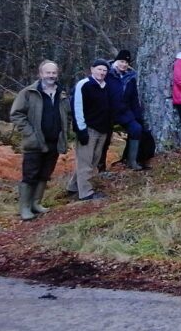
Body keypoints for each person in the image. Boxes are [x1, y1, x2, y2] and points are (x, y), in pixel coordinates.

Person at [10, 60, 71, 220]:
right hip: (34, 142)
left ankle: (36, 203)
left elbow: (67, 115)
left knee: (45, 174)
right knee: (30, 175)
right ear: (40, 74)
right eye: (48, 72)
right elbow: (16, 114)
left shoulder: (61, 93)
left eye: (54, 73)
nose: (51, 75)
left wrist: (65, 134)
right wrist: (30, 134)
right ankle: (25, 208)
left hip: (54, 141)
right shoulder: (28, 92)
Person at [67, 59, 113, 200]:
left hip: (102, 130)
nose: (102, 72)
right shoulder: (84, 85)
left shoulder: (105, 86)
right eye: (99, 69)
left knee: (92, 161)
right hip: (88, 129)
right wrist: (81, 130)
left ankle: (73, 187)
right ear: (92, 69)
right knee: (85, 162)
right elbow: (77, 108)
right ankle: (86, 194)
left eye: (105, 70)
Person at [104, 50, 144, 171]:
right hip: (107, 112)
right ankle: (100, 165)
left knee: (136, 129)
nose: (124, 64)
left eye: (126, 62)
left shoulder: (130, 77)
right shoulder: (106, 74)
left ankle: (132, 161)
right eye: (121, 61)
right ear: (116, 61)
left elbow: (134, 98)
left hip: (124, 111)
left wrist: (137, 116)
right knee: (104, 137)